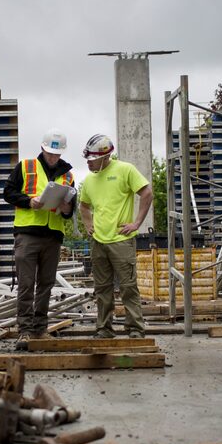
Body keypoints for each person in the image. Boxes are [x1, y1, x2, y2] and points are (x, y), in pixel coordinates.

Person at [3, 128, 76, 349]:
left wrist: (65, 208)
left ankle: (40, 329)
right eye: (50, 153)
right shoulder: (25, 167)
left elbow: (70, 210)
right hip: (27, 233)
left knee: (46, 284)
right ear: (43, 149)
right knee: (26, 283)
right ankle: (24, 330)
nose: (53, 158)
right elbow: (8, 192)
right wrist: (29, 201)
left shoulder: (69, 175)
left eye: (57, 154)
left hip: (53, 235)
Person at [78, 134, 152, 339]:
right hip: (98, 242)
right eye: (88, 159)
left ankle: (135, 328)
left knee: (128, 287)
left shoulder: (125, 169)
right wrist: (88, 224)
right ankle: (104, 328)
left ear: (105, 156)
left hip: (121, 240)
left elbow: (147, 192)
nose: (89, 162)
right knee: (102, 288)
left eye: (92, 159)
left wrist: (137, 223)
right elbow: (83, 206)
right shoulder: (89, 181)